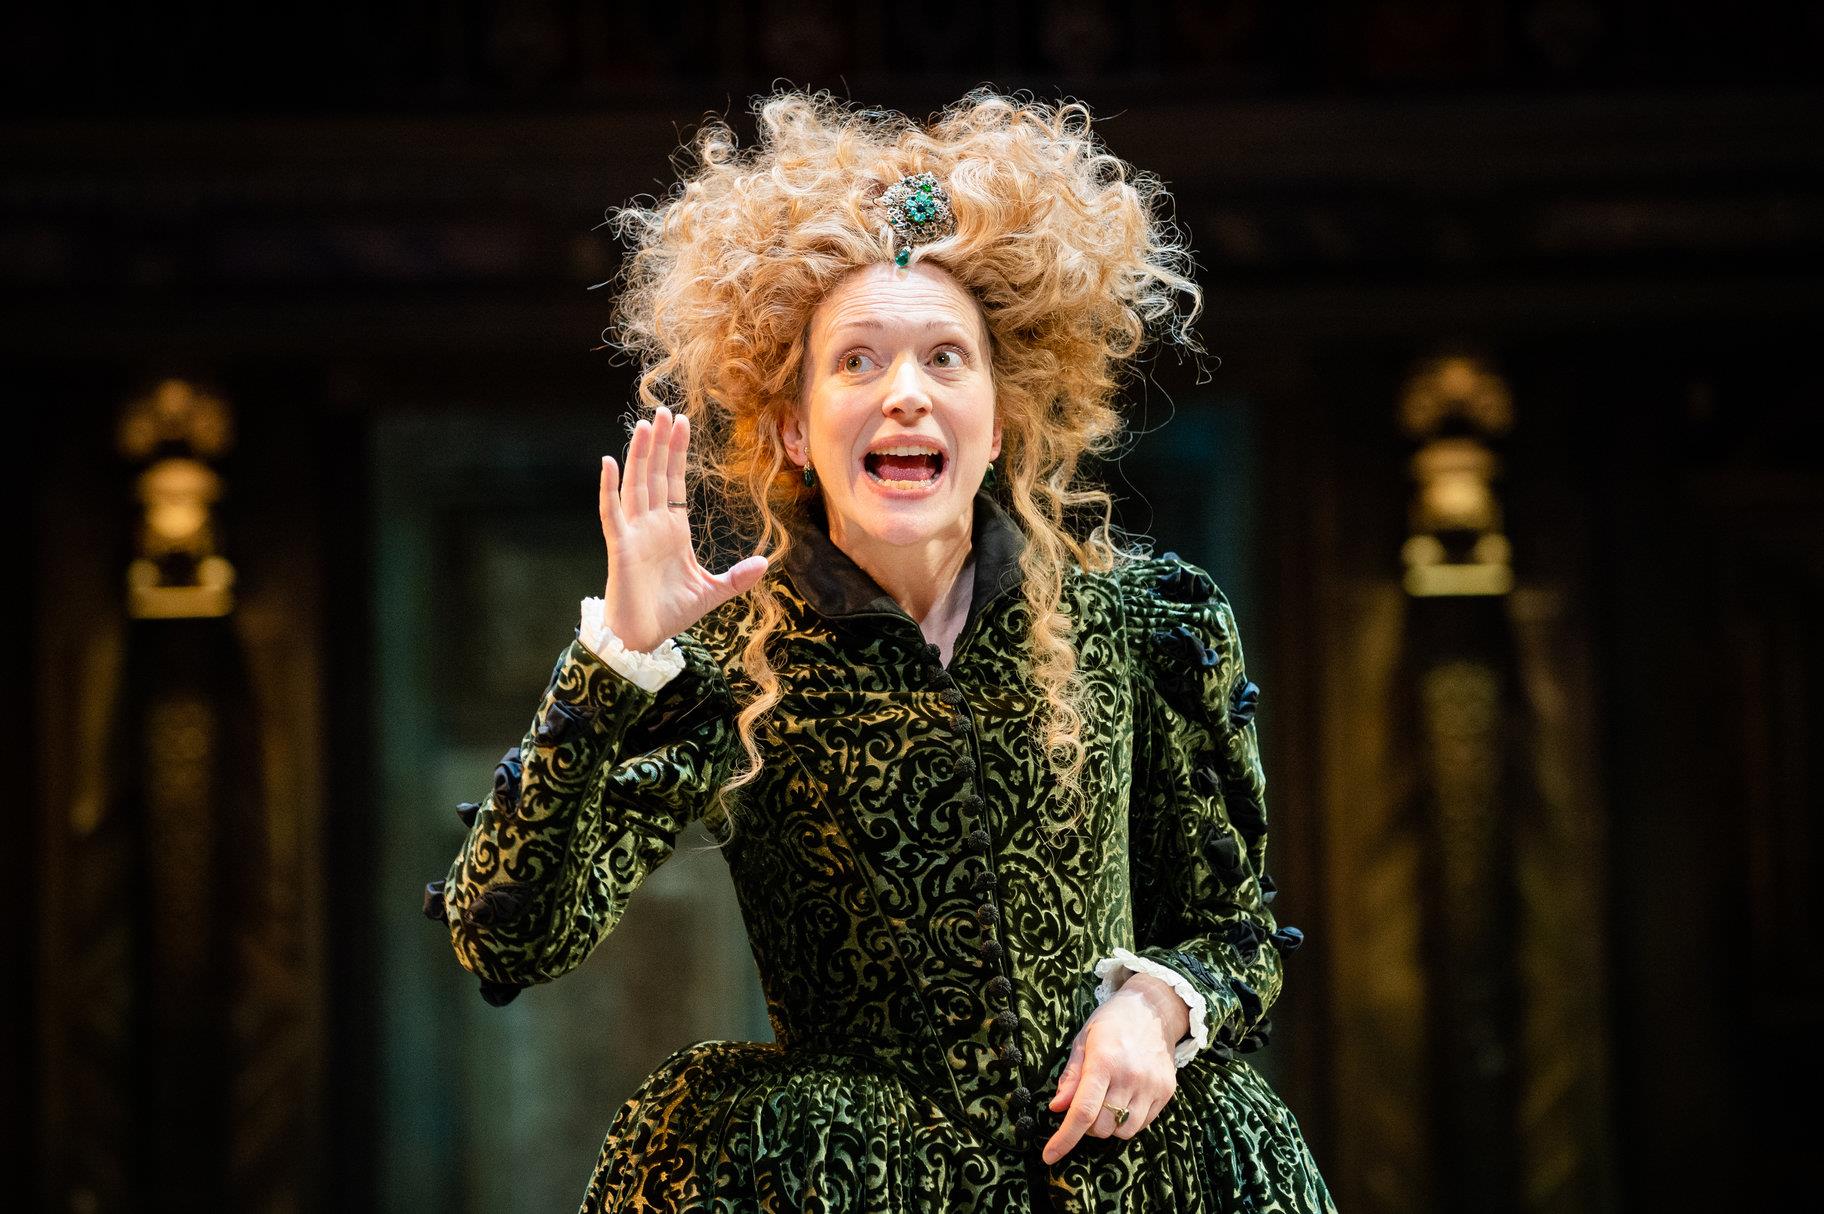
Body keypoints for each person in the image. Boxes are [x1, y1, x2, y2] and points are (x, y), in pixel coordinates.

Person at [426, 88, 1336, 1213]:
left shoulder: (1143, 624)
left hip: (1139, 1181)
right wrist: (615, 658)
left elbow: (1235, 930)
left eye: (946, 358)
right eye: (857, 361)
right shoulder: (726, 662)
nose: (905, 393)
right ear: (794, 429)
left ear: (997, 420)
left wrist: (1157, 1006)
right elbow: (509, 935)